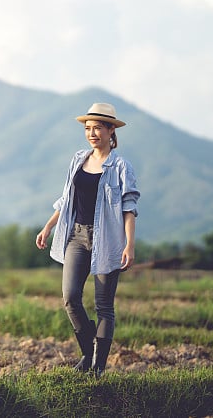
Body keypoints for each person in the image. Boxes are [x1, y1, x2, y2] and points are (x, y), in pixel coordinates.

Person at [35, 103, 140, 376]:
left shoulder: (121, 167)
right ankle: (88, 352)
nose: (92, 133)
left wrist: (129, 244)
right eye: (88, 128)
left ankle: (97, 368)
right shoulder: (78, 160)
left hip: (108, 240)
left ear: (110, 131)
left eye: (98, 128)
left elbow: (129, 209)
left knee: (104, 305)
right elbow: (66, 199)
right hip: (76, 236)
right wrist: (48, 227)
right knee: (70, 298)